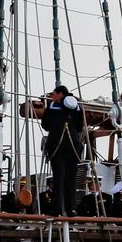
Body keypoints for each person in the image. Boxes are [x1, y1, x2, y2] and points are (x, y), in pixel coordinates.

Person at [41, 85, 86, 215]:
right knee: (71, 178)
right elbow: (79, 126)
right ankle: (71, 208)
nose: (52, 96)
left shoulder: (52, 106)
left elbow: (46, 125)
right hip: (73, 145)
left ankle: (57, 208)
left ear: (60, 94)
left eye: (53, 93)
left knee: (59, 177)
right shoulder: (76, 106)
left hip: (57, 145)